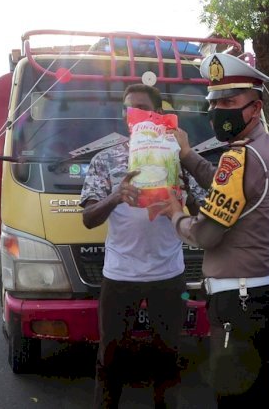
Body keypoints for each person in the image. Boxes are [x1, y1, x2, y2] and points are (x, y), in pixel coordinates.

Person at [156, 53, 269, 407]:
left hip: (238, 305)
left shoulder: (240, 156)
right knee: (259, 399)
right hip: (258, 298)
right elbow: (224, 185)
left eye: (229, 101)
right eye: (213, 101)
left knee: (237, 402)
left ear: (255, 107)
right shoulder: (263, 149)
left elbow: (206, 235)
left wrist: (174, 213)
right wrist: (187, 154)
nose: (218, 110)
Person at [80, 84, 203, 409]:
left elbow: (203, 211)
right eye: (127, 109)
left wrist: (181, 193)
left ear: (156, 114)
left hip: (169, 274)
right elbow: (89, 218)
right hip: (121, 275)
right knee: (110, 360)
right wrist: (116, 195)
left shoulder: (175, 155)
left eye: (139, 108)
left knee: (168, 359)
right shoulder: (106, 159)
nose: (130, 115)